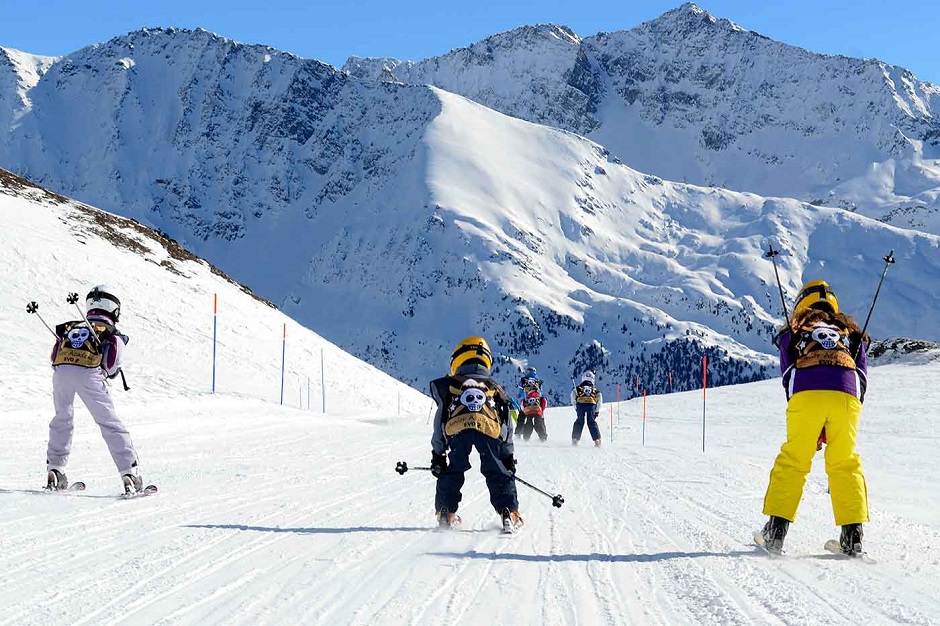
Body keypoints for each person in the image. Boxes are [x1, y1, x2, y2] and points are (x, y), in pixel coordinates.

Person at [759, 279, 869, 556]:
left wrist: (806, 414)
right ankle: (852, 538)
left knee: (795, 459)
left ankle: (775, 533)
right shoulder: (850, 332)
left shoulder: (794, 330)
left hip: (806, 393)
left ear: (801, 304)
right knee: (845, 462)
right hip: (847, 394)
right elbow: (862, 375)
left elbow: (788, 376)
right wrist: (847, 405)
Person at [47, 285, 145, 494]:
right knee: (109, 423)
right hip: (89, 375)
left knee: (62, 418)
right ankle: (130, 473)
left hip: (61, 372)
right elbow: (110, 366)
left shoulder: (73, 327)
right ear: (113, 308)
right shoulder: (112, 333)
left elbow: (54, 355)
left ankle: (55, 470)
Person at [430, 336, 523, 532]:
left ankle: (446, 513)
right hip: (489, 428)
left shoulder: (451, 385)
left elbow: (439, 422)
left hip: (457, 428)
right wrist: (507, 456)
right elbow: (507, 421)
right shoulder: (494, 386)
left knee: (454, 470)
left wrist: (438, 455)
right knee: (496, 470)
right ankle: (508, 512)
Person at [570, 370, 603, 446]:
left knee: (579, 421)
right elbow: (599, 399)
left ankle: (575, 439)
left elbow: (573, 396)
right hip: (591, 405)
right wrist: (596, 410)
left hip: (580, 405)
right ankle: (597, 440)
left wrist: (576, 408)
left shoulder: (578, 388)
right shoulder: (595, 389)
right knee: (591, 422)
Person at [515, 367, 543, 438]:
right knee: (539, 419)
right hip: (537, 403)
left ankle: (519, 433)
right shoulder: (538, 381)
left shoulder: (523, 380)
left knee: (522, 417)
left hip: (526, 403)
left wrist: (519, 396)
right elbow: (541, 393)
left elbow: (521, 391)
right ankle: (542, 436)